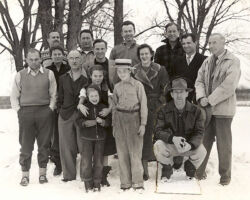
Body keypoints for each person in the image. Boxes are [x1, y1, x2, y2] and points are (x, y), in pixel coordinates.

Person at [195, 33, 241, 185]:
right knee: (203, 142)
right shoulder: (207, 61)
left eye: (214, 42)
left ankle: (225, 177)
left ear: (223, 43)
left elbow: (229, 86)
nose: (211, 46)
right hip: (207, 110)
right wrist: (201, 97)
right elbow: (199, 80)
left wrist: (210, 100)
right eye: (209, 43)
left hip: (223, 111)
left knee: (224, 145)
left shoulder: (233, 61)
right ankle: (199, 173)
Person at [10, 48, 57, 186]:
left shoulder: (49, 74)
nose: (34, 62)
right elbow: (14, 96)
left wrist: (50, 109)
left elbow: (53, 94)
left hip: (44, 112)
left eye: (36, 59)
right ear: (26, 60)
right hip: (26, 113)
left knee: (44, 144)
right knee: (25, 145)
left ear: (40, 59)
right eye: (31, 59)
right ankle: (25, 175)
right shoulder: (20, 75)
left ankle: (42, 174)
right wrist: (19, 111)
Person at [154, 77, 207, 182]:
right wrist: (172, 138)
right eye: (176, 92)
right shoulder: (163, 110)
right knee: (158, 146)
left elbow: (199, 132)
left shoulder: (196, 111)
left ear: (187, 93)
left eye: (181, 92)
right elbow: (157, 131)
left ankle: (190, 168)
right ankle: (167, 169)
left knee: (202, 150)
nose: (179, 95)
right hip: (171, 145)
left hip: (187, 147)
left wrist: (190, 145)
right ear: (172, 94)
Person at [133, 44, 169, 181]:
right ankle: (144, 169)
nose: (144, 56)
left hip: (157, 107)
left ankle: (165, 168)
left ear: (151, 54)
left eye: (146, 53)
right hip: (140, 106)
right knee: (143, 138)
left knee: (159, 136)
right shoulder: (134, 70)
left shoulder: (160, 69)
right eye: (141, 54)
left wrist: (159, 104)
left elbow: (166, 89)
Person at [112, 59, 148, 193]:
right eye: (119, 71)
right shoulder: (117, 87)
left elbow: (143, 105)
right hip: (120, 120)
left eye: (124, 71)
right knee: (122, 152)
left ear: (130, 71)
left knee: (135, 152)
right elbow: (114, 107)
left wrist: (143, 124)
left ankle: (138, 182)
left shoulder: (138, 85)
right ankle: (125, 182)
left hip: (134, 119)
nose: (121, 73)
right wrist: (114, 125)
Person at [77, 65, 116, 186]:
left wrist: (108, 111)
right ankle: (89, 177)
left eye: (100, 76)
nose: (97, 78)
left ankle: (102, 176)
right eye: (95, 76)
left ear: (103, 76)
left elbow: (111, 103)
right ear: (91, 76)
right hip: (90, 120)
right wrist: (80, 105)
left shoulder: (106, 87)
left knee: (104, 150)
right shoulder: (86, 87)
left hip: (103, 119)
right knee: (90, 153)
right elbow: (81, 101)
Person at [57, 50, 88, 182]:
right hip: (65, 115)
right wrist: (60, 110)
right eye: (71, 58)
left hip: (82, 116)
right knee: (66, 146)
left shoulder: (87, 78)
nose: (74, 61)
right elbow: (59, 97)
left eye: (77, 58)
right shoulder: (63, 78)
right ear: (67, 60)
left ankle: (85, 175)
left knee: (84, 145)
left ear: (81, 60)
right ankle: (69, 175)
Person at [76, 85, 111, 192]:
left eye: (96, 95)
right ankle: (87, 182)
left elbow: (109, 122)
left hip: (100, 139)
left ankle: (97, 182)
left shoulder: (103, 107)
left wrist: (103, 122)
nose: (94, 98)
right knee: (86, 161)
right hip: (86, 139)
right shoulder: (84, 107)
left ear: (99, 96)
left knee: (99, 162)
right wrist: (86, 123)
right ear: (87, 96)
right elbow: (78, 121)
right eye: (92, 96)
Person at [46, 45, 70, 176]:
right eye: (54, 54)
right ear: (51, 56)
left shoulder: (68, 68)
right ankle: (57, 163)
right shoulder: (47, 70)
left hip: (67, 105)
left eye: (59, 53)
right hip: (53, 106)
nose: (57, 56)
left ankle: (69, 161)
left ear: (63, 55)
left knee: (65, 136)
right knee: (55, 136)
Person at [172, 33, 207, 103]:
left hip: (198, 101)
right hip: (182, 102)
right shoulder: (176, 61)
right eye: (183, 43)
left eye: (188, 43)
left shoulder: (205, 60)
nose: (186, 46)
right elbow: (173, 81)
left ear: (195, 43)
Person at [109, 20, 140, 86]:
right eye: (125, 31)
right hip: (120, 86)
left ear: (134, 32)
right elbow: (111, 71)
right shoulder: (115, 50)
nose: (128, 33)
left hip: (136, 86)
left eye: (130, 31)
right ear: (122, 33)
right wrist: (113, 85)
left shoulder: (140, 49)